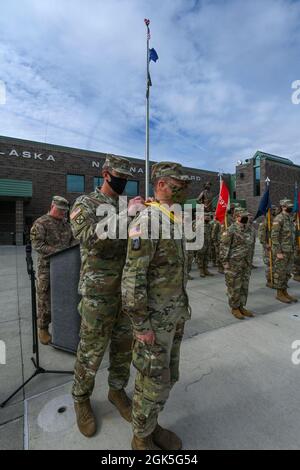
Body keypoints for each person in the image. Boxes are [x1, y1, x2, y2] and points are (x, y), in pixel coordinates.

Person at [70, 154, 142, 438]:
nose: (123, 182)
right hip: (98, 293)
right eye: (119, 176)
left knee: (123, 346)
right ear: (106, 174)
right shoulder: (85, 203)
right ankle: (81, 398)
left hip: (125, 292)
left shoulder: (127, 206)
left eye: (127, 178)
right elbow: (87, 236)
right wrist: (126, 215)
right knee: (91, 351)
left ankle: (116, 390)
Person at [122, 162, 191, 450]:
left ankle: (150, 424)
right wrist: (141, 325)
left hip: (173, 315)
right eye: (178, 184)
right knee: (152, 381)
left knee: (167, 378)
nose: (183, 189)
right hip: (153, 323)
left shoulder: (171, 218)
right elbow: (133, 278)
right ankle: (141, 437)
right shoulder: (147, 221)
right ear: (161, 184)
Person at [30, 196, 74, 345]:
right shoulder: (40, 223)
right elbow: (38, 245)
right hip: (47, 268)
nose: (63, 213)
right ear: (52, 206)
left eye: (65, 211)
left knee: (63, 299)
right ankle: (42, 327)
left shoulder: (66, 224)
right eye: (60, 210)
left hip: (65, 267)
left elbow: (73, 241)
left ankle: (62, 327)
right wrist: (59, 251)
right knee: (45, 299)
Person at [220, 207, 256, 320]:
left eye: (246, 216)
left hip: (246, 262)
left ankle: (241, 306)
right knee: (234, 286)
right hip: (233, 263)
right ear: (236, 217)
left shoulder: (250, 229)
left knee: (244, 285)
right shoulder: (230, 230)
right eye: (243, 216)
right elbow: (223, 247)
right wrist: (225, 262)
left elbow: (252, 245)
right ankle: (234, 307)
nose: (245, 218)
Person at [271, 199, 297, 303]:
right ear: (283, 207)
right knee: (280, 272)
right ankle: (279, 293)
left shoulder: (290, 218)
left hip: (290, 250)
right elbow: (274, 236)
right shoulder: (279, 218)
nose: (291, 208)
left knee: (287, 272)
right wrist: (278, 252)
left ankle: (284, 291)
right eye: (288, 206)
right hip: (282, 251)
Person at [258, 206, 277, 288]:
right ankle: (269, 280)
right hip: (268, 246)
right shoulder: (265, 222)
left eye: (275, 210)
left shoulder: (275, 220)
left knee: (275, 264)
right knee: (269, 264)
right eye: (273, 210)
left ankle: (275, 279)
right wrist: (265, 244)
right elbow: (261, 235)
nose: (275, 211)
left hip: (275, 245)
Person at [196, 212, 214, 277]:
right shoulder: (199, 225)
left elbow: (210, 234)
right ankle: (201, 270)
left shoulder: (209, 225)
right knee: (201, 257)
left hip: (208, 243)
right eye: (206, 216)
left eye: (208, 216)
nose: (208, 217)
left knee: (207, 256)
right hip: (201, 244)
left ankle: (205, 269)